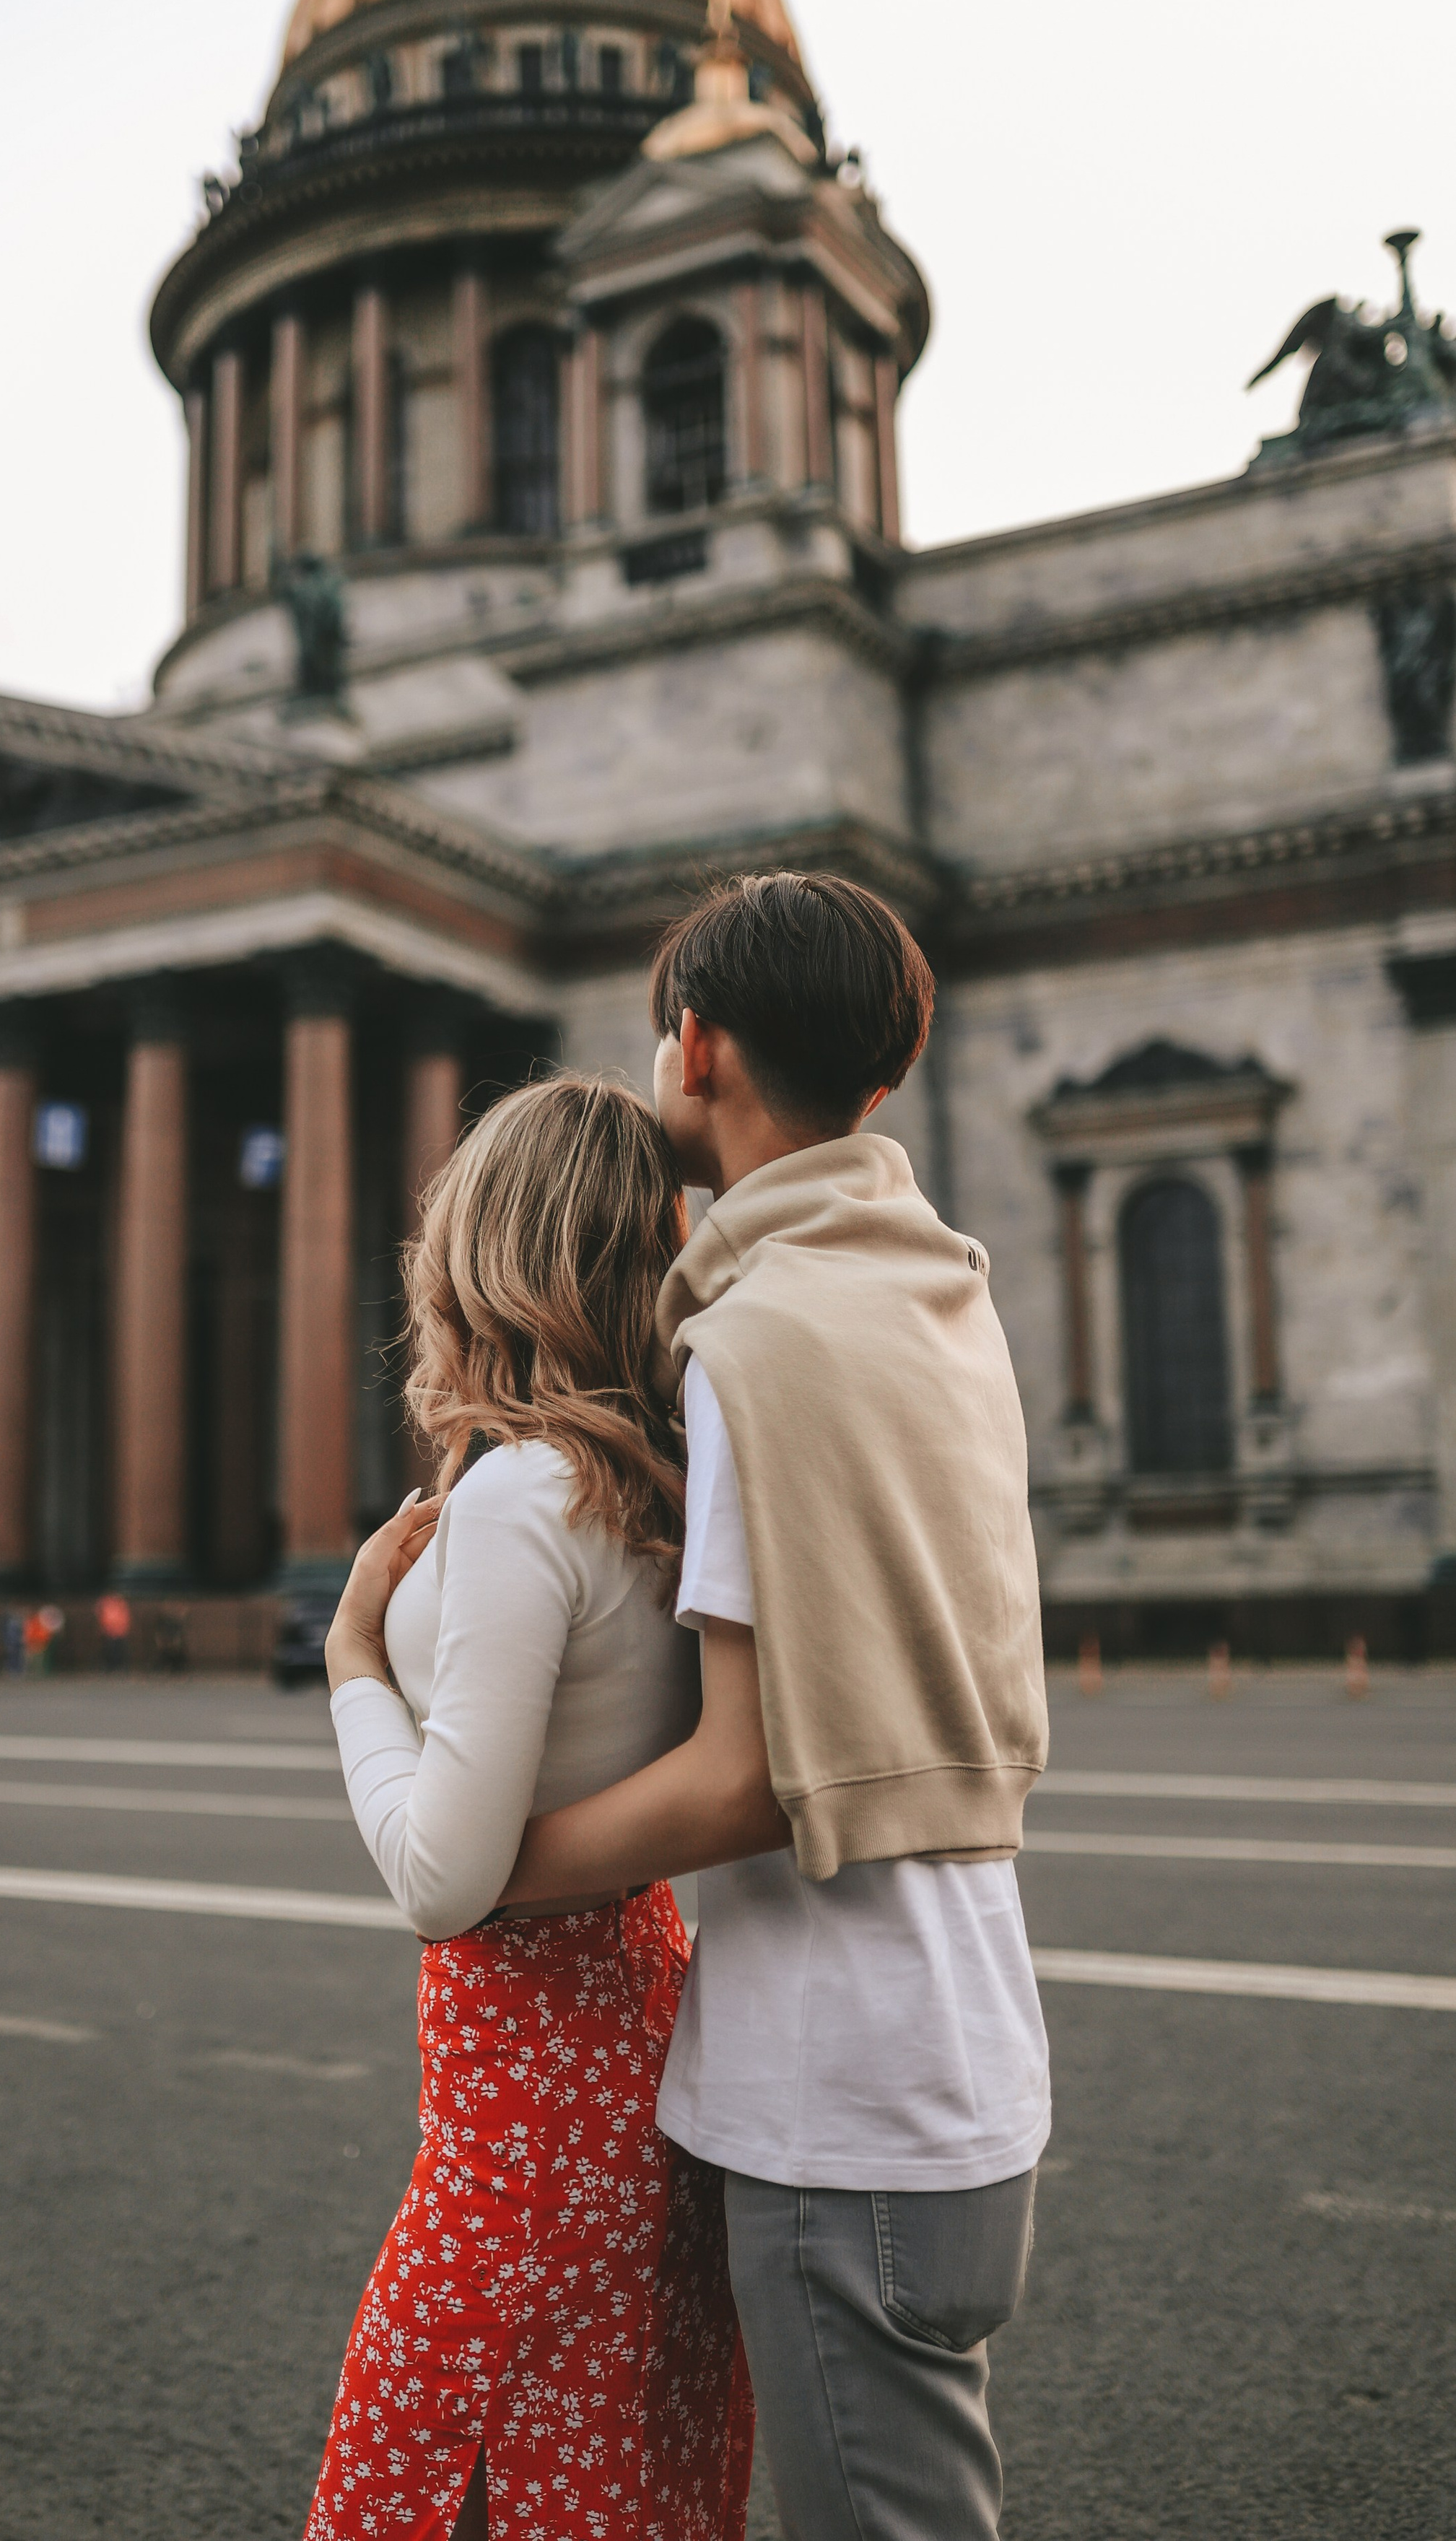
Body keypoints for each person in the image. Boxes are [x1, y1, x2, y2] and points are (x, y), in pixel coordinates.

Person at [502, 873, 1052, 2541]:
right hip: (964, 2052)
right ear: (879, 1078)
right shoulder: (930, 1293)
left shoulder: (752, 1343)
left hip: (836, 2101)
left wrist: (489, 1867)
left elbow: (745, 1780)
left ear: (697, 1042)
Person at [307, 1076, 754, 2541]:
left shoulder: (522, 1497)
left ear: (482, 1247)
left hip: (525, 2083)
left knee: (410, 2470)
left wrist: (351, 1665)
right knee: (600, 2461)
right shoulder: (651, 1480)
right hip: (637, 2020)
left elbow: (442, 1876)